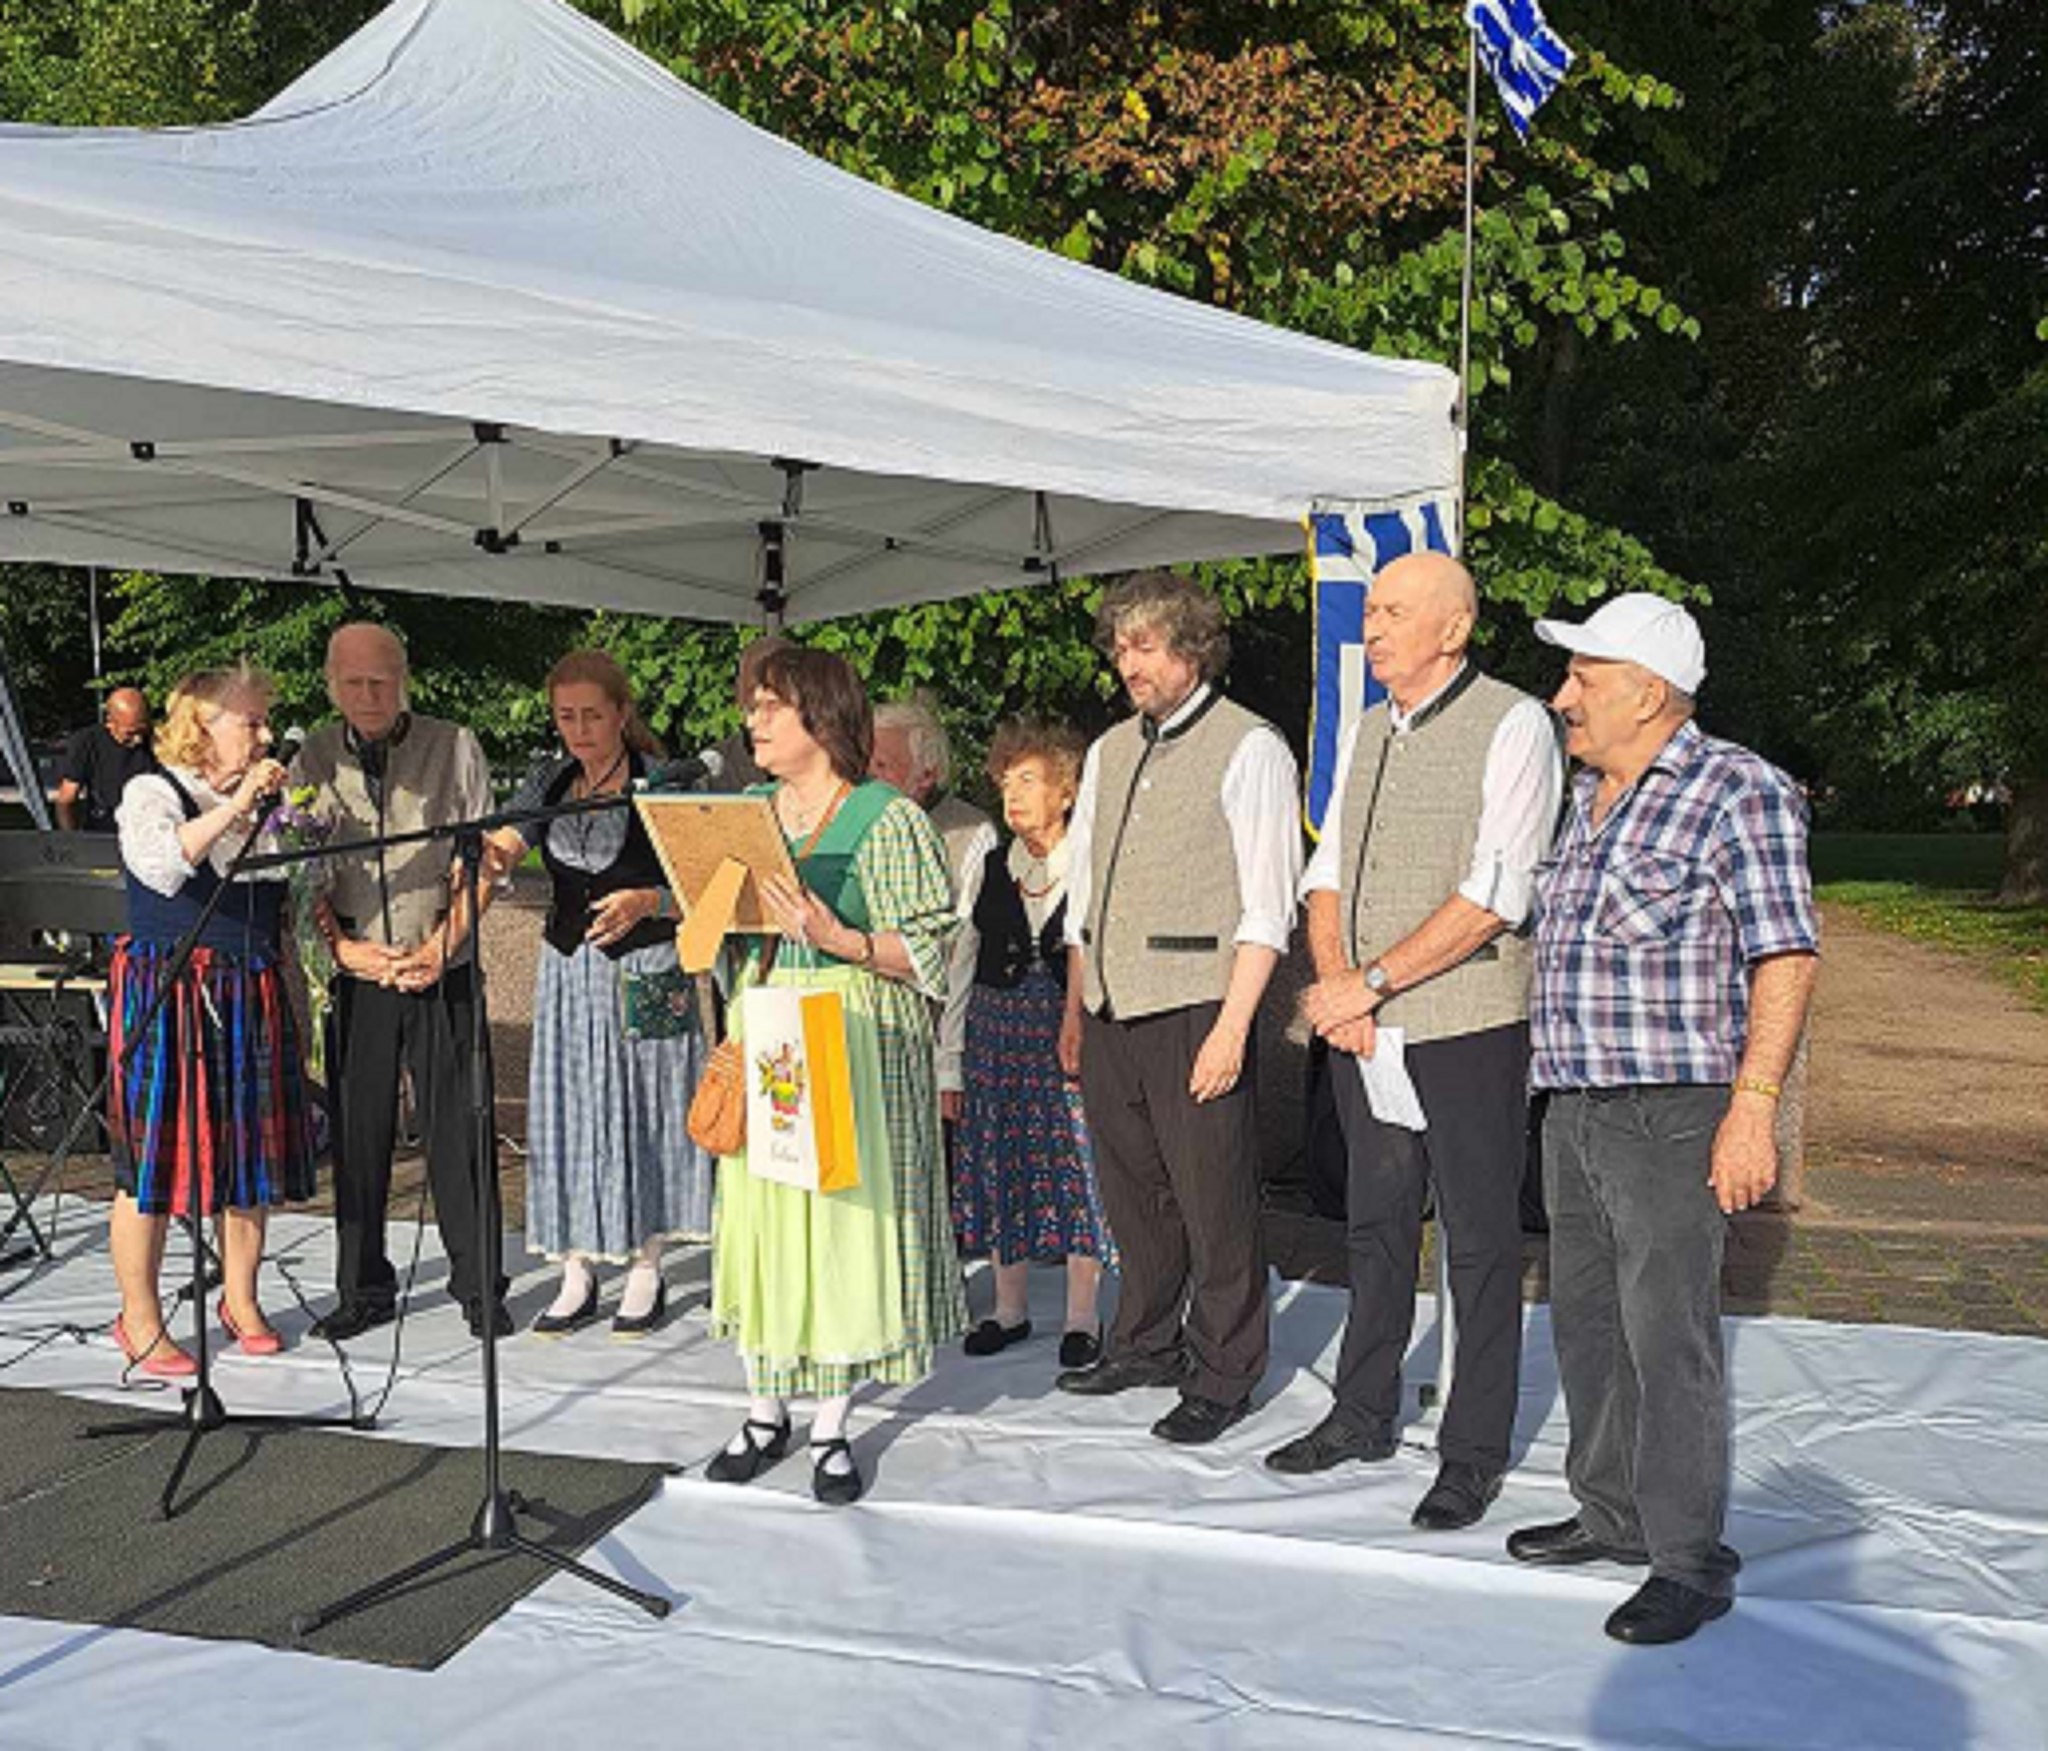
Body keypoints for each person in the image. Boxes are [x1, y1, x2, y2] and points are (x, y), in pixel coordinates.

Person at [1510, 593, 1819, 1646]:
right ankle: (1611, 1513)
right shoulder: (1585, 798)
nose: (1563, 697)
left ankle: (1687, 1558)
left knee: (1666, 1335)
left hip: (1674, 1114)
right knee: (1587, 1323)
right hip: (1573, 1107)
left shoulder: (1738, 790)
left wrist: (1752, 1109)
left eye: (1582, 678)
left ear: (1646, 692)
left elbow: (1785, 955)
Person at [1272, 552, 1564, 1532]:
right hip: (1365, 1022)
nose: (1373, 627)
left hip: (1466, 1023)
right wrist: (1337, 990)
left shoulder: (1513, 723)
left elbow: (1496, 891)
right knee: (1374, 1221)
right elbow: (1325, 872)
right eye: (1371, 609)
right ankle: (1361, 1412)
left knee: (1479, 1242)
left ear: (1454, 627)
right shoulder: (1365, 728)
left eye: (1394, 611)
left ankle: (1471, 1453)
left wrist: (1371, 981)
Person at [705, 644, 966, 1505]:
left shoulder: (887, 819)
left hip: (853, 1034)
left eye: (770, 706)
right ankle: (763, 1408)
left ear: (819, 716)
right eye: (753, 706)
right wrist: (670, 906)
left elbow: (931, 949)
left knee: (839, 1223)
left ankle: (830, 1423)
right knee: (767, 1219)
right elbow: (715, 932)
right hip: (769, 1023)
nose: (753, 720)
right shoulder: (747, 813)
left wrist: (839, 937)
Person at [1056, 570, 1301, 1445]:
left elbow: (1269, 904)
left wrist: (1233, 1029)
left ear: (1193, 648)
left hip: (1198, 1001)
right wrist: (1077, 1005)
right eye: (1121, 647)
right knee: (1133, 1191)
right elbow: (1084, 891)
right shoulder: (1109, 749)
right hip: (1111, 1002)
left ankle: (1225, 1368)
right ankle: (1146, 1340)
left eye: (1148, 646)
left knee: (1214, 1196)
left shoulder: (1250, 746)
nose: (1130, 663)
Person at [483, 651, 713, 1337]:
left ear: (621, 713)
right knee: (571, 1111)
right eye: (566, 716)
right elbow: (507, 840)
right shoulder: (550, 780)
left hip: (647, 967)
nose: (579, 729)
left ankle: (647, 1265)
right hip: (570, 971)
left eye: (592, 715)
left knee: (648, 1109)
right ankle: (576, 1268)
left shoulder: (663, 784)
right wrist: (491, 854)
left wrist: (648, 899)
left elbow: (710, 887)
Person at [291, 621, 508, 1341]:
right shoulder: (311, 756)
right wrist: (342, 950)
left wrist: (444, 945)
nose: (368, 695)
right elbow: (301, 876)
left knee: (461, 1129)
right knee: (358, 1135)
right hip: (359, 969)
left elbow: (484, 862)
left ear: (403, 678)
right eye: (353, 682)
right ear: (332, 686)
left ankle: (479, 1285)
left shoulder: (455, 745)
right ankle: (362, 1289)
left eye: (380, 680)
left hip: (441, 959)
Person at [107, 664, 316, 1374]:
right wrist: (235, 807)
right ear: (202, 723)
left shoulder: (266, 803)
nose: (265, 734)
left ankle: (241, 1298)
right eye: (250, 721)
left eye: (264, 722)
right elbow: (165, 866)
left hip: (247, 983)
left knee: (248, 1150)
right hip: (172, 983)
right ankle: (138, 1318)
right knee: (152, 1160)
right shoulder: (153, 791)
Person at [943, 718, 1113, 1368]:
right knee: (1000, 1160)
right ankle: (1008, 1308)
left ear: (1065, 791)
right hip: (994, 1033)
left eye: (1029, 780)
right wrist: (949, 1063)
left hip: (1065, 1033)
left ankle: (1081, 1315)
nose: (1012, 794)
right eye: (1006, 781)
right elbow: (963, 964)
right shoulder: (991, 866)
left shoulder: (1091, 861)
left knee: (1077, 1162)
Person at [872, 694, 999, 1119]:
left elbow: (962, 953)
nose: (868, 777)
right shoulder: (857, 824)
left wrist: (949, 1067)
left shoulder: (970, 832)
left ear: (925, 775)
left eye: (882, 765)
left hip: (928, 1039)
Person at [55, 687, 154, 832]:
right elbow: (66, 798)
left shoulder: (158, 741)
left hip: (148, 830)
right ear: (110, 722)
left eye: (142, 731)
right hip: (104, 830)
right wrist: (71, 839)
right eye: (130, 733)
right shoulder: (87, 742)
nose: (138, 739)